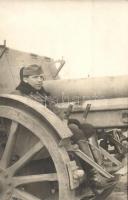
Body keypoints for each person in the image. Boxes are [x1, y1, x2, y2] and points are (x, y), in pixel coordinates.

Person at [13, 64, 117, 198]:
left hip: (49, 129)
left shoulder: (41, 94)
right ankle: (93, 177)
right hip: (34, 136)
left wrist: (64, 118)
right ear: (25, 79)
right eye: (35, 77)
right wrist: (61, 124)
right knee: (74, 130)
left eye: (41, 77)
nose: (40, 80)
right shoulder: (18, 95)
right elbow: (26, 119)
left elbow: (56, 110)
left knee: (87, 128)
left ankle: (98, 170)